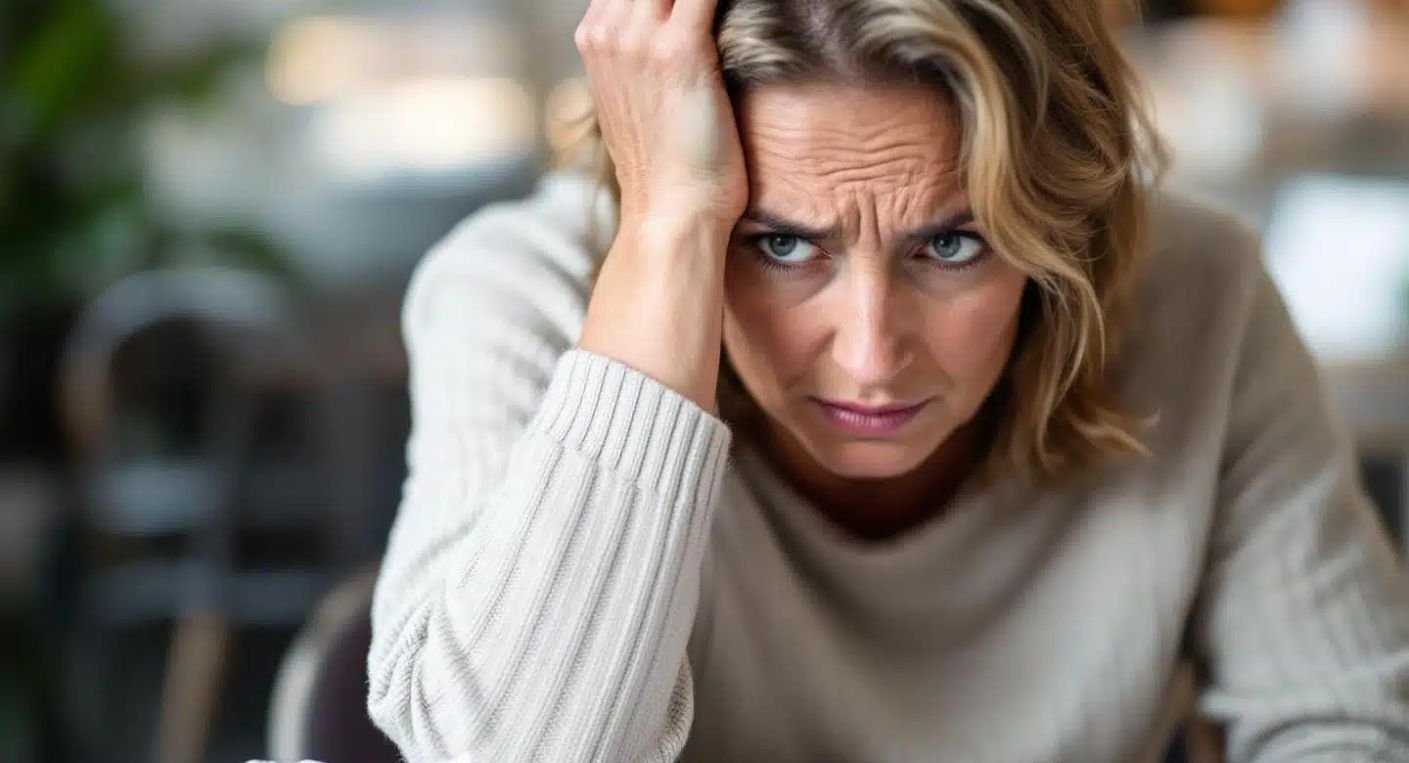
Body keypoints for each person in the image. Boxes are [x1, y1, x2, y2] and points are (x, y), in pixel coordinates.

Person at [365, 0, 1409, 760]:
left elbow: (1344, 730)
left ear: (1058, 232)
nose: (868, 354)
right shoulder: (520, 291)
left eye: (951, 246)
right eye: (777, 244)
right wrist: (672, 230)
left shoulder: (1198, 293)